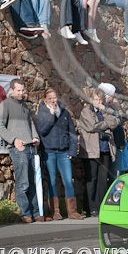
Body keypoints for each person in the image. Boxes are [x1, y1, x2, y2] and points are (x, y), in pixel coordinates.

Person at [0, 79, 43, 223]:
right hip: (18, 148)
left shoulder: (25, 106)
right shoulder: (6, 104)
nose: (21, 93)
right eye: (19, 90)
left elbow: (31, 125)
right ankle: (26, 214)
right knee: (23, 183)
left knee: (34, 182)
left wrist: (35, 137)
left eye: (23, 90)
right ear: (12, 90)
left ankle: (36, 212)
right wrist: (14, 140)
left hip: (31, 148)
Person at [35, 88, 82, 220]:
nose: (52, 101)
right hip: (49, 152)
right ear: (45, 100)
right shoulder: (42, 113)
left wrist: (72, 150)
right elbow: (42, 131)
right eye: (49, 98)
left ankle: (72, 211)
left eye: (54, 98)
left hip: (63, 152)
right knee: (52, 181)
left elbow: (72, 133)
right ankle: (55, 211)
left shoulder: (65, 113)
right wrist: (51, 115)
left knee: (68, 181)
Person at [78, 88, 120, 217]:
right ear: (91, 100)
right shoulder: (86, 111)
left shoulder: (106, 110)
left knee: (103, 179)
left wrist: (105, 113)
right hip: (92, 150)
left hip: (105, 149)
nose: (97, 102)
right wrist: (107, 124)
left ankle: (100, 205)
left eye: (100, 100)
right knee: (92, 179)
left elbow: (115, 122)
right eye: (95, 99)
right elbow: (92, 126)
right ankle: (90, 207)